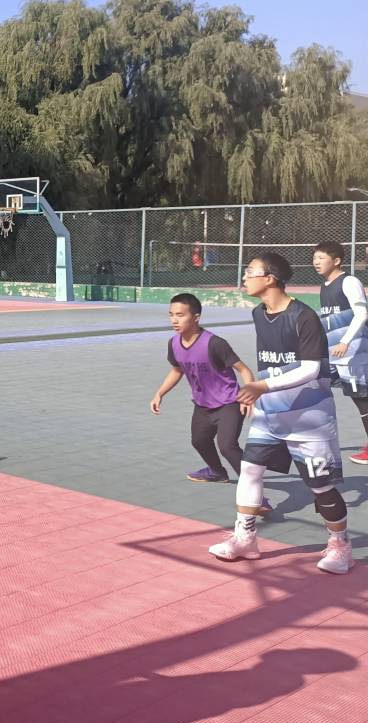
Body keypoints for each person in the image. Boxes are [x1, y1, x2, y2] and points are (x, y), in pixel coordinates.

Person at [210, 252, 353, 575]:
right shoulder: (259, 313)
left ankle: (340, 546)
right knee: (250, 470)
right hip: (271, 414)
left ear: (270, 278)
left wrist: (262, 386)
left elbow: (310, 369)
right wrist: (261, 392)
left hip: (309, 418)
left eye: (250, 272)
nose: (244, 277)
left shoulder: (304, 317)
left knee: (321, 487)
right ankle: (245, 538)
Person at [150, 293, 258, 488]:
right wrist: (160, 393)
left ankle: (253, 488)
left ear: (196, 317)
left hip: (229, 403)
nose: (174, 320)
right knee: (199, 441)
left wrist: (248, 394)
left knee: (227, 447)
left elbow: (244, 370)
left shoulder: (215, 344)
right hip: (202, 405)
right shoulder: (173, 343)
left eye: (180, 315)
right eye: (171, 314)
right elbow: (177, 370)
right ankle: (217, 472)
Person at [312, 241, 368, 465]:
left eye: (321, 258)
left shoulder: (349, 282)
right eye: (315, 258)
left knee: (362, 400)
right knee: (316, 388)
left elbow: (362, 314)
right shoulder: (325, 285)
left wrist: (345, 341)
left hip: (354, 354)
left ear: (336, 261)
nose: (316, 262)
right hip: (335, 354)